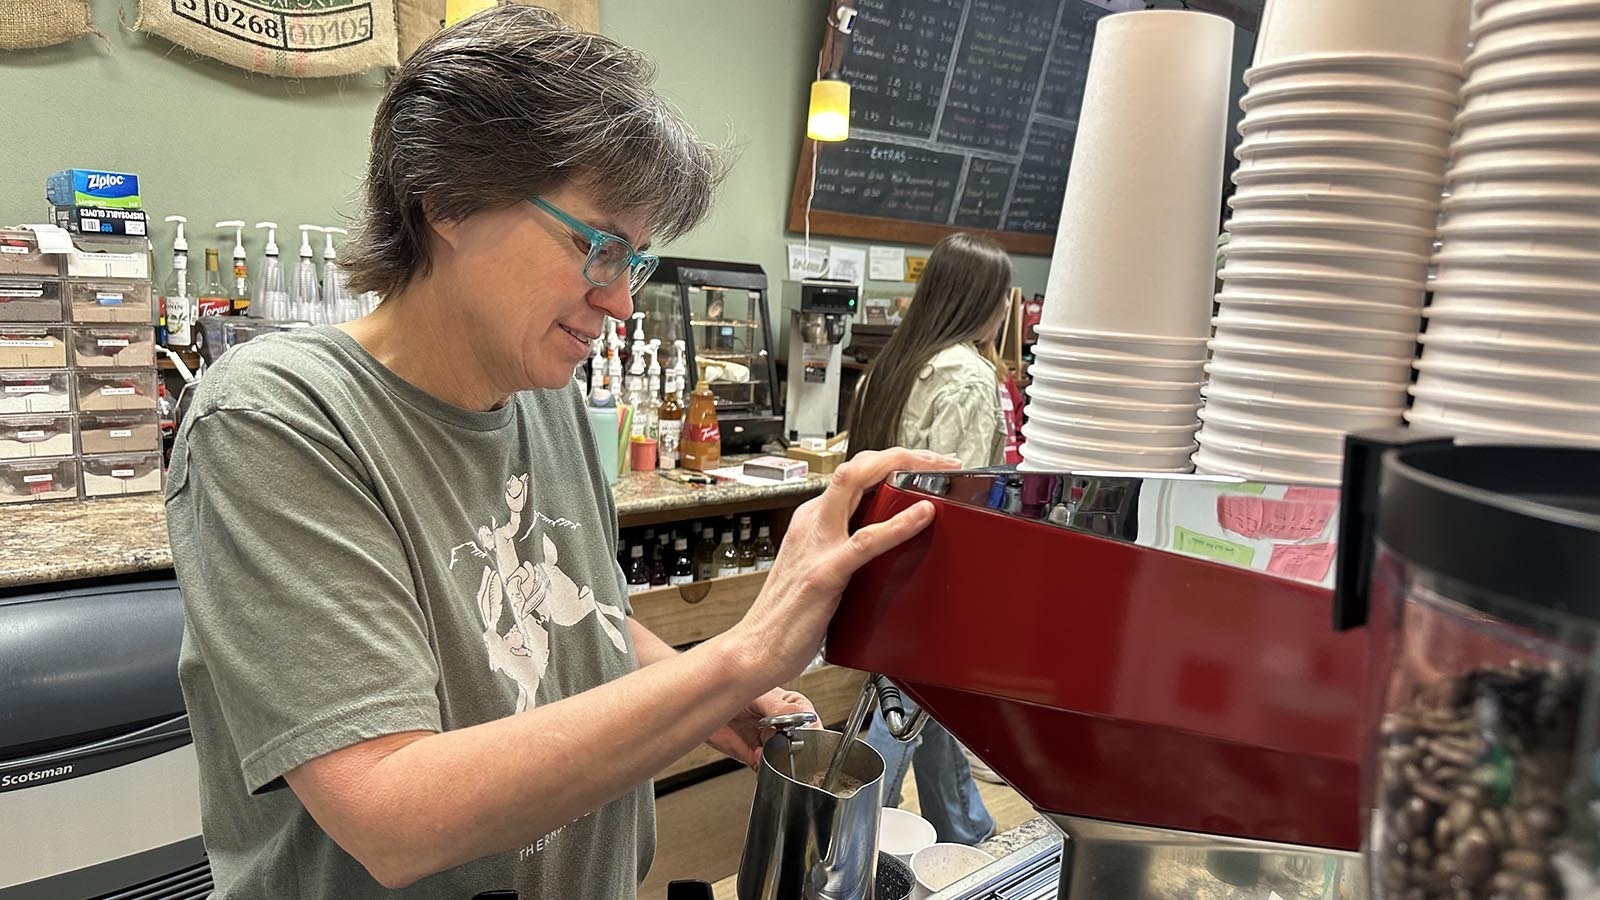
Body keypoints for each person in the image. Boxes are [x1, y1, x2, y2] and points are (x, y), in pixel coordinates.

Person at [164, 9, 955, 899]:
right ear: (446, 200)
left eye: (636, 260)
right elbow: (389, 813)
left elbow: (582, 618)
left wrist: (699, 689)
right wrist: (747, 653)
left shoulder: (554, 403)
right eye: (597, 246)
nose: (620, 301)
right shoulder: (277, 418)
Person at [842, 232, 1013, 846]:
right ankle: (846, 841)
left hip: (875, 562)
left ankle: (966, 831)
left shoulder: (889, 368)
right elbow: (955, 505)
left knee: (926, 700)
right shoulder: (969, 379)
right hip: (929, 574)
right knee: (907, 703)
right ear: (984, 302)